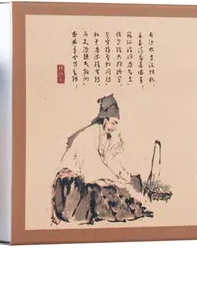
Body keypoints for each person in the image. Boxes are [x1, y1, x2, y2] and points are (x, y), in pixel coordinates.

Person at [52, 95, 148, 224]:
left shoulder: (104, 136)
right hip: (70, 185)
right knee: (103, 193)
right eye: (113, 123)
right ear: (104, 119)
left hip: (88, 176)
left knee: (128, 184)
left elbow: (110, 162)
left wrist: (124, 177)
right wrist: (119, 183)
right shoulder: (88, 135)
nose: (114, 128)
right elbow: (92, 170)